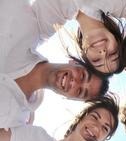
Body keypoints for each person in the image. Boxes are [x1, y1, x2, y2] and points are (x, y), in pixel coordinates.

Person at [0, 0, 114, 128]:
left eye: (80, 91)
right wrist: (91, 30)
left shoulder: (14, 121)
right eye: (82, 75)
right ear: (75, 61)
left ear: (70, 98)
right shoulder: (34, 27)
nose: (75, 83)